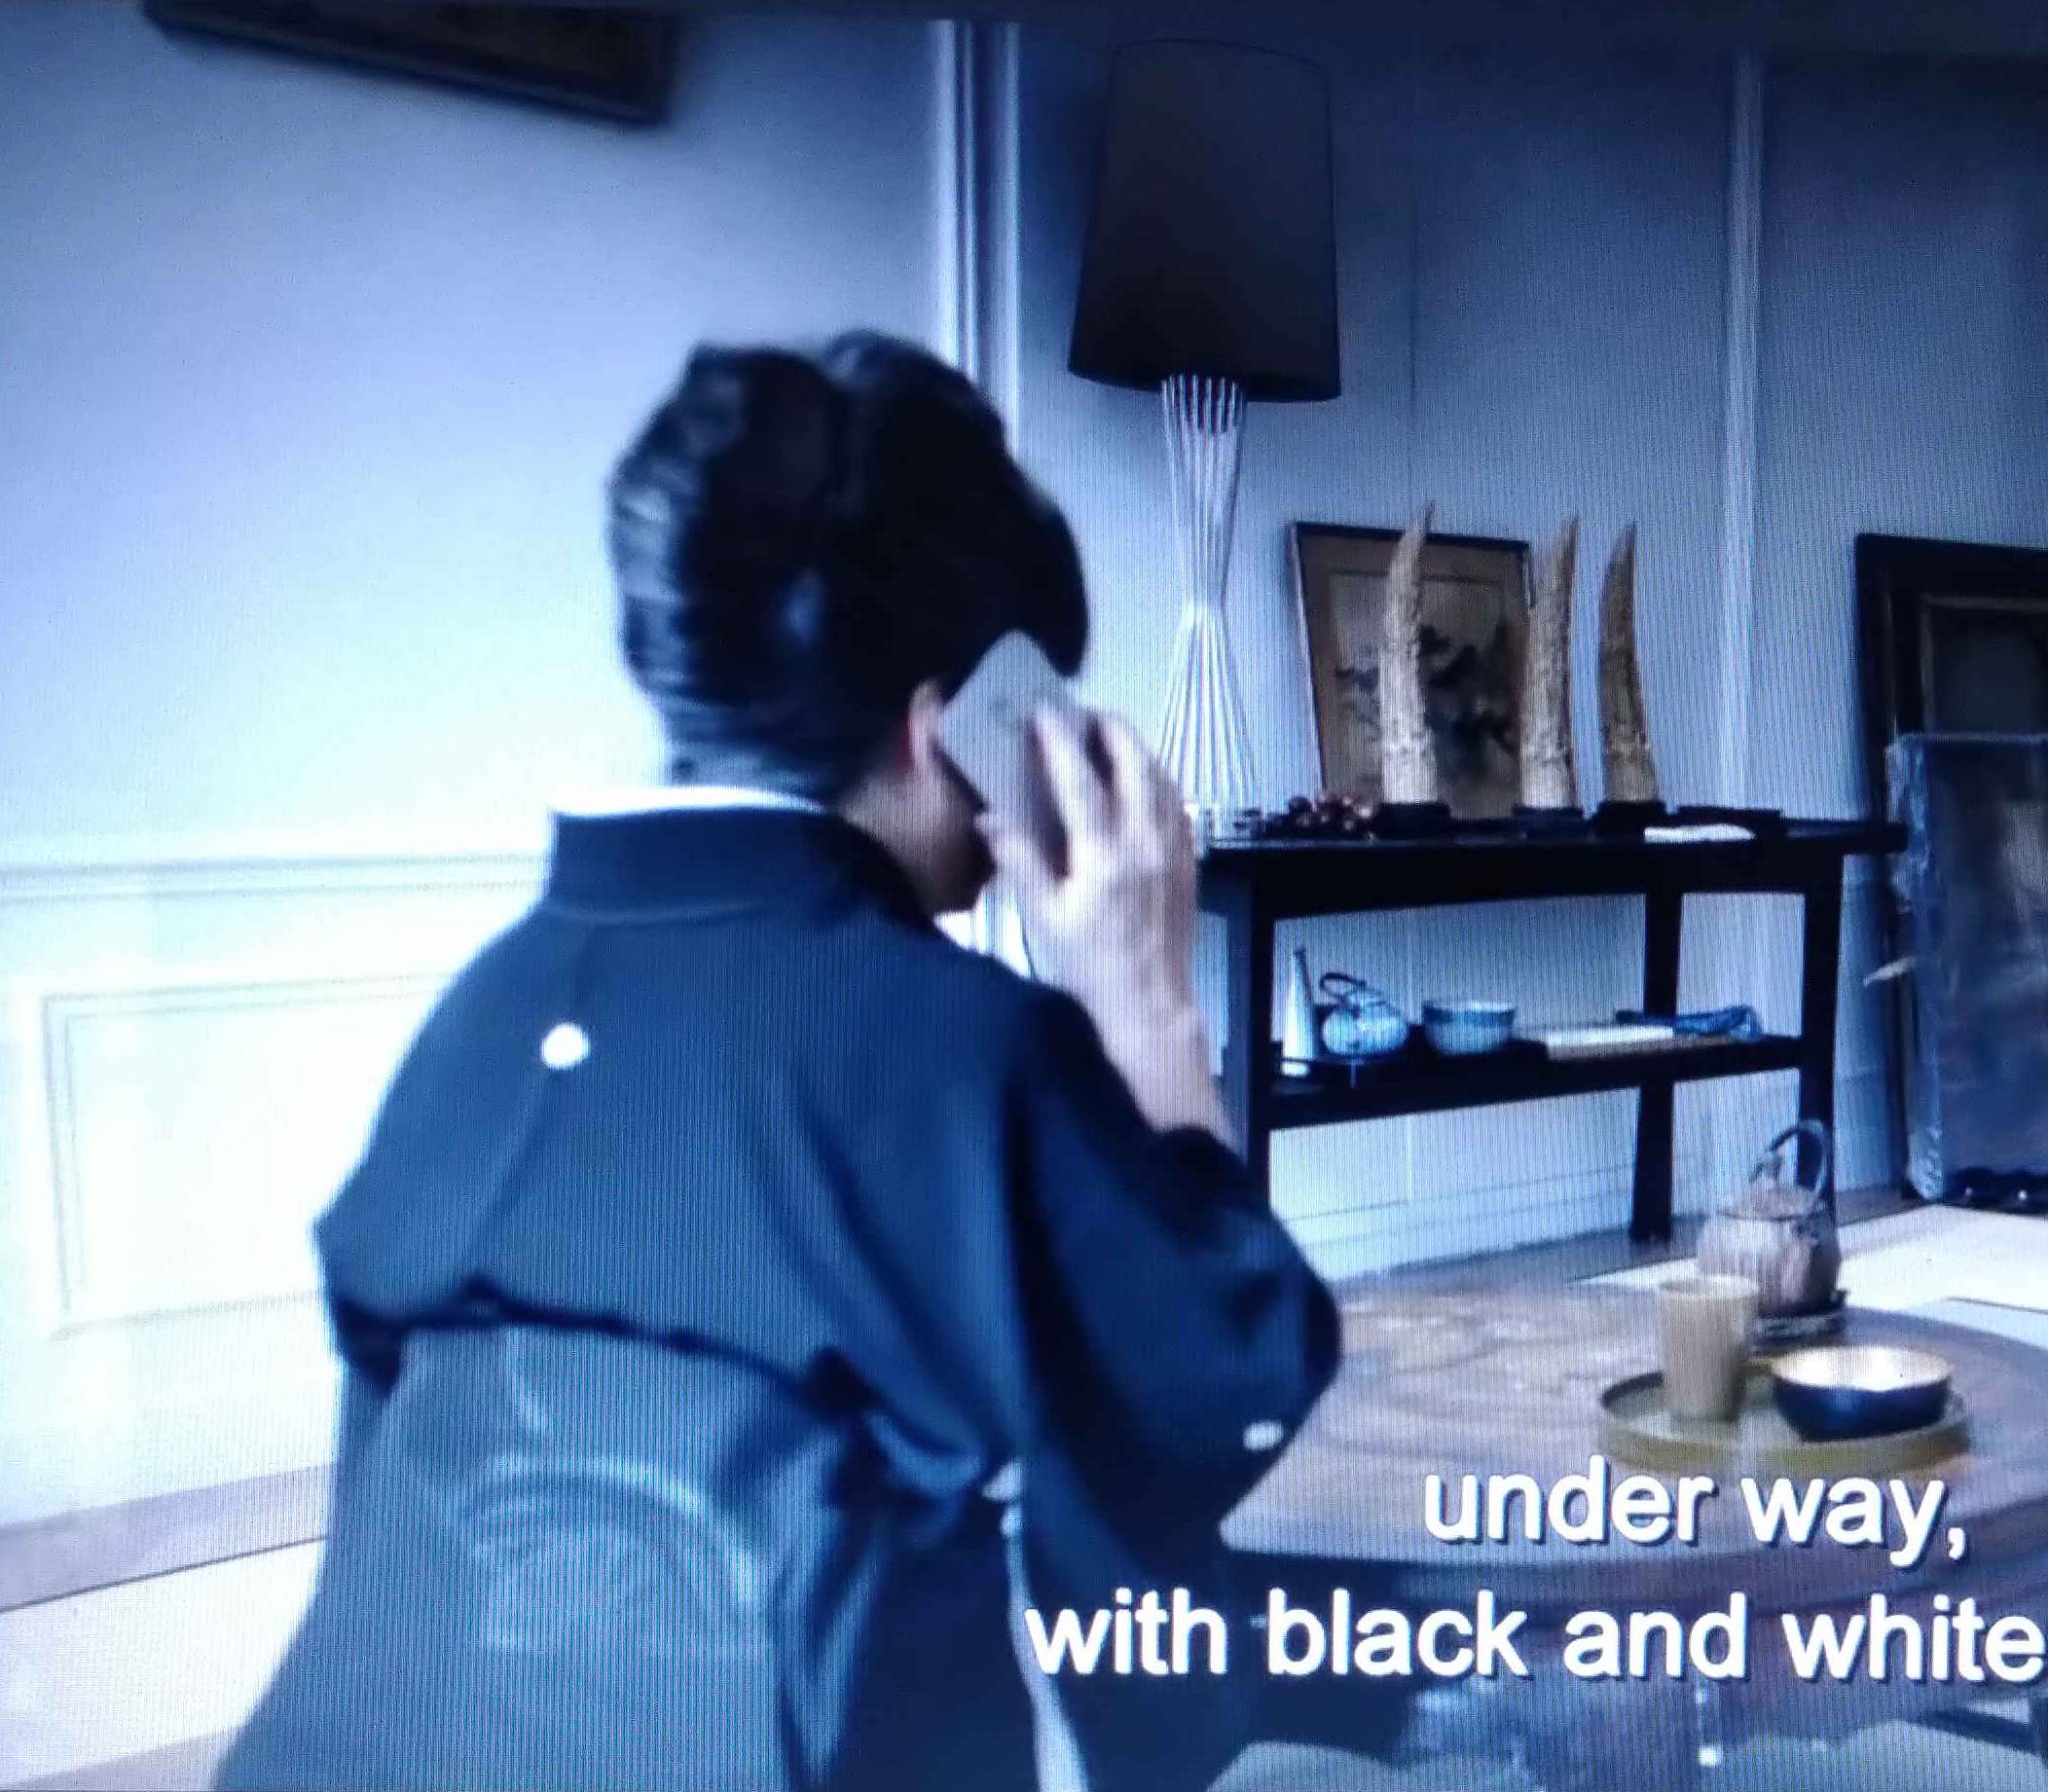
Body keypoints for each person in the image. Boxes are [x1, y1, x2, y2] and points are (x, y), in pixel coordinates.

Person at [217, 335, 1338, 1792]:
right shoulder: (963, 1041)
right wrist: (1147, 1002)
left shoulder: (486, 1010)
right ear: (949, 729)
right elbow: (1226, 1384)